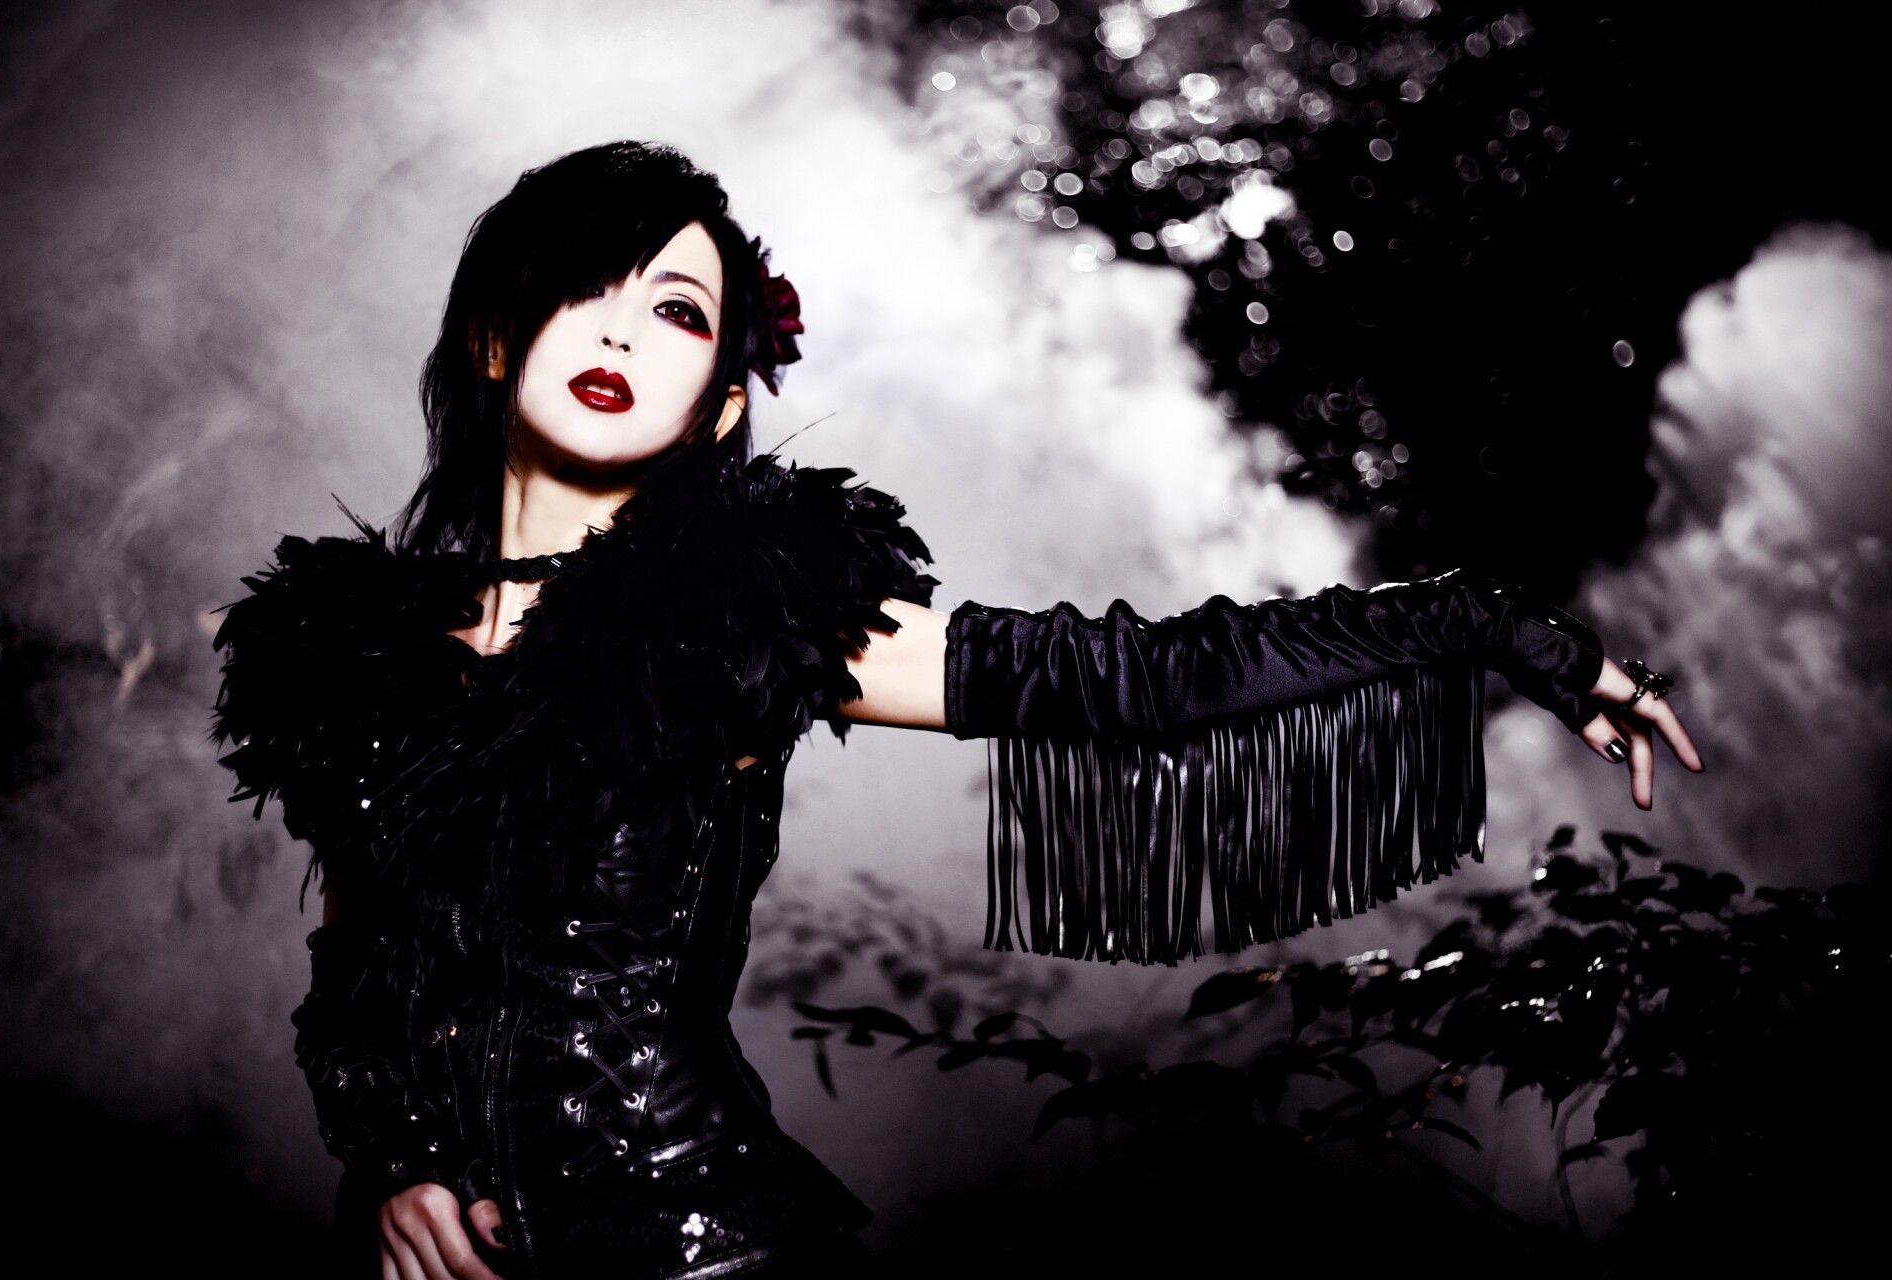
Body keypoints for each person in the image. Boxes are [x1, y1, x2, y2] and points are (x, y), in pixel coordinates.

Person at [210, 141, 1703, 1279]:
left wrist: (1480, 624)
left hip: (697, 1249)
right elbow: (359, 974)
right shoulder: (348, 658)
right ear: (494, 337)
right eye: (583, 289)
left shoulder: (750, 614)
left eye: (675, 312)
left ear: (719, 401)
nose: (621, 336)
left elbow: (1132, 682)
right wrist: (395, 1164)